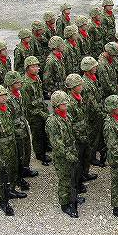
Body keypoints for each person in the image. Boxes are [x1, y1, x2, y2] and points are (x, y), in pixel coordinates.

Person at [0, 85, 26, 216]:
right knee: (2, 176)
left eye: (4, 95)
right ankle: (3, 201)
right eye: (0, 96)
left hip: (11, 145)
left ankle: (11, 190)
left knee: (12, 170)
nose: (4, 97)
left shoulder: (6, 109)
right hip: (2, 150)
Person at [46, 90, 82, 218]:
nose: (66, 105)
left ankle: (73, 196)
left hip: (71, 151)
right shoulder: (52, 122)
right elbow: (57, 144)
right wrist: (68, 155)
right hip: (62, 156)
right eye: (63, 103)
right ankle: (65, 204)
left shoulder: (66, 116)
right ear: (56, 106)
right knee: (65, 180)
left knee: (73, 177)